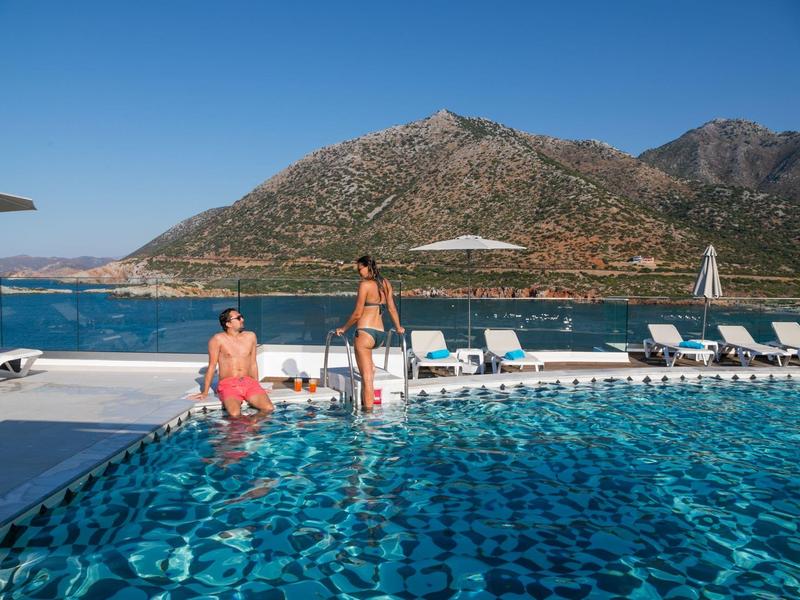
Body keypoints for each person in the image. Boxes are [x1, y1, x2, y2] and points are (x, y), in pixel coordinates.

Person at [336, 255, 404, 411]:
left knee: (367, 379)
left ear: (368, 266)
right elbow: (392, 308)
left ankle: (368, 415)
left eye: (360, 269)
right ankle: (370, 367)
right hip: (380, 334)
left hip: (365, 334)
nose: (359, 272)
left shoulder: (365, 285)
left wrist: (344, 328)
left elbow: (358, 313)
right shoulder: (385, 283)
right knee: (368, 370)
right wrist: (398, 327)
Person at [189, 308, 274, 417]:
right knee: (234, 414)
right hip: (228, 384)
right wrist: (205, 392)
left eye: (241, 316)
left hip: (249, 382)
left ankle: (252, 425)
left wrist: (257, 385)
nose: (242, 319)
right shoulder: (217, 339)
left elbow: (253, 363)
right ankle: (247, 428)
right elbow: (212, 366)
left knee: (268, 408)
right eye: (238, 318)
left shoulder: (251, 336)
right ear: (228, 323)